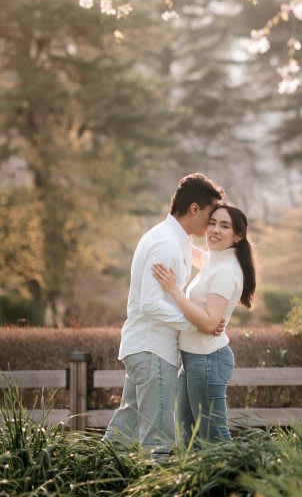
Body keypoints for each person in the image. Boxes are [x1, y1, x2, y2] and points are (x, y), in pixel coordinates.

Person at [103, 173, 225, 455]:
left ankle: (91, 480)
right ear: (194, 209)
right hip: (152, 350)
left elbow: (209, 260)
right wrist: (197, 324)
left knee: (124, 428)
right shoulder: (165, 243)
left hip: (146, 348)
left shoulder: (174, 239)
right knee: (158, 439)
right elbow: (151, 303)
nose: (211, 224)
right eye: (209, 215)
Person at [152, 203, 257, 445]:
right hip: (192, 361)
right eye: (212, 223)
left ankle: (242, 481)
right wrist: (175, 222)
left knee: (214, 436)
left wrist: (174, 290)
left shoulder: (226, 271)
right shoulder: (214, 261)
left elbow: (210, 324)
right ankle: (197, 482)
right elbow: (187, 247)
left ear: (238, 236)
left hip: (208, 360)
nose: (215, 230)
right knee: (188, 437)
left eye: (224, 226)